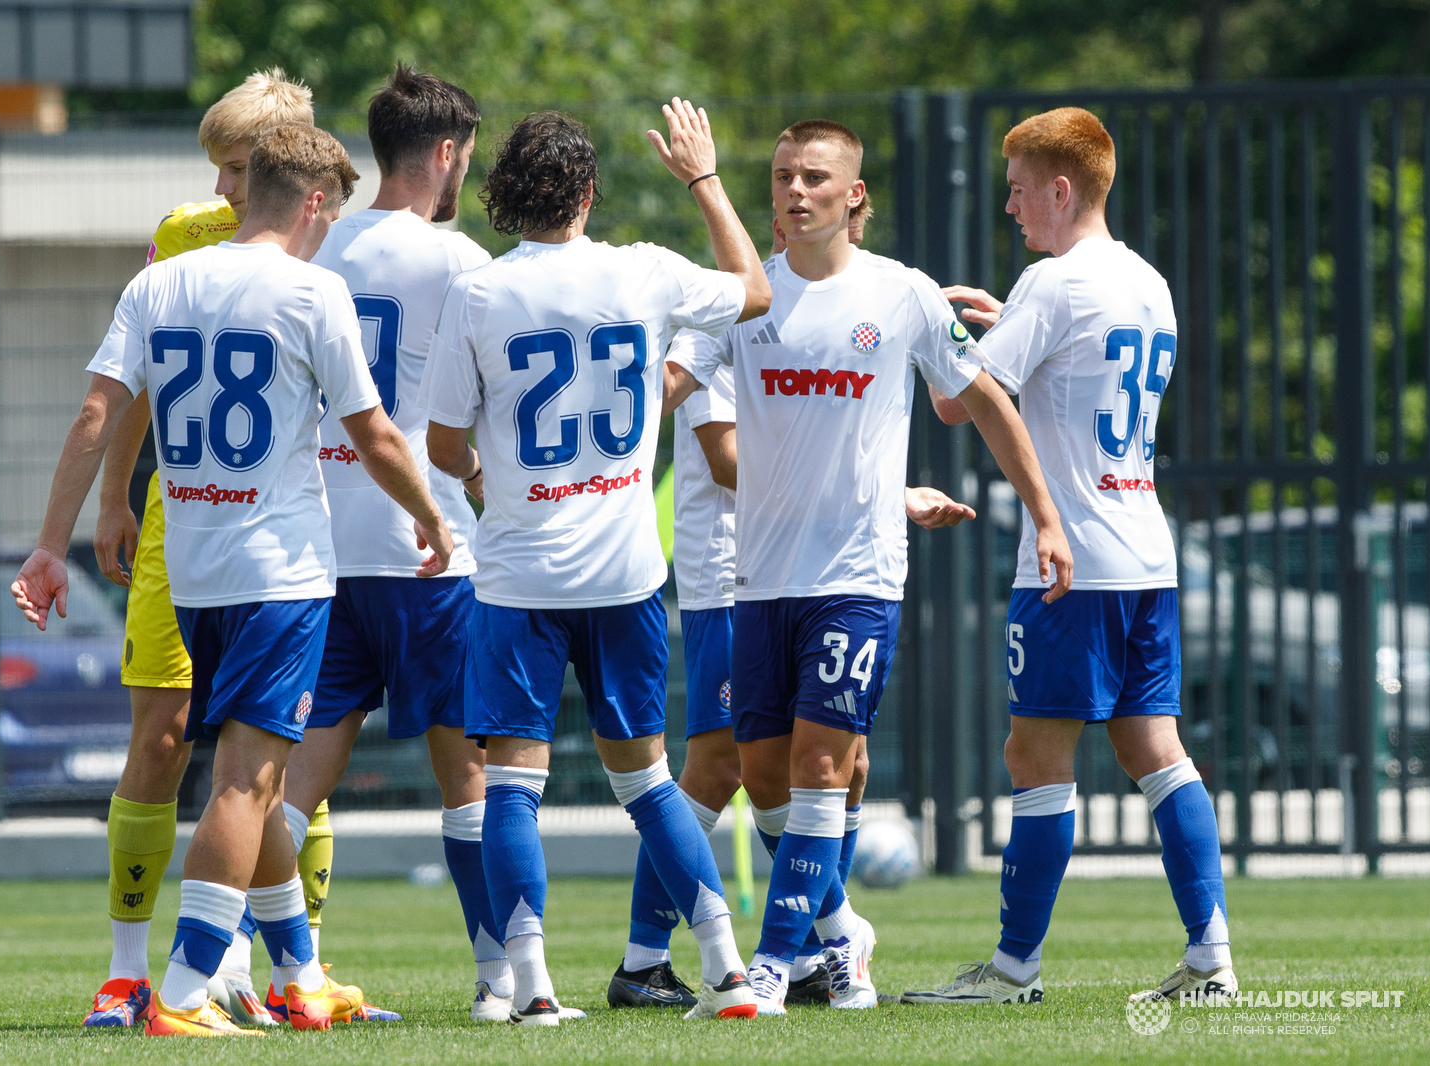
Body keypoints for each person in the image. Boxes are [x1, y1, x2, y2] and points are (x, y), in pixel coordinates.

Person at [13, 124, 454, 1037]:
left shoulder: (158, 281)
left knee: (262, 777)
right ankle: (179, 993)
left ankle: (300, 976)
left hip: (197, 570)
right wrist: (431, 513)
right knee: (246, 784)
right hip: (281, 572)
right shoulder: (312, 290)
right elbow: (373, 434)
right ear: (316, 204)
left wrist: (50, 544)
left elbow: (99, 411)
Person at [664, 118, 1073, 1016]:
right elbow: (662, 390)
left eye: (813, 177)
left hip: (858, 576)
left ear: (853, 196)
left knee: (820, 766)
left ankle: (771, 966)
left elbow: (986, 401)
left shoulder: (902, 294)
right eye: (779, 178)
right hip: (760, 581)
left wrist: (1046, 516)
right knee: (763, 776)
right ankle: (842, 930)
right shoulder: (743, 298)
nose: (793, 192)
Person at [422, 101, 772, 1025]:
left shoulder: (481, 293)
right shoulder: (643, 273)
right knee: (648, 782)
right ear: (586, 189)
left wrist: (489, 483)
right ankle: (728, 971)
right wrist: (701, 177)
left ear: (507, 193)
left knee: (513, 786)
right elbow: (754, 288)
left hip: (518, 577)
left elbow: (444, 440)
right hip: (624, 576)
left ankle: (531, 984)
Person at [901, 107, 1236, 1007]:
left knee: (1034, 757)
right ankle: (1213, 957)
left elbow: (959, 404)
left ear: (1061, 189)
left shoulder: (1053, 284)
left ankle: (1013, 970)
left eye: (1017, 190)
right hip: (1145, 553)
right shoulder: (1148, 282)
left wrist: (940, 330)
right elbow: (1083, 373)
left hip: (1071, 560)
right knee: (1158, 751)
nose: (1010, 208)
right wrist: (1013, 321)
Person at [611, 188, 969, 1011]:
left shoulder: (850, 302)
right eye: (774, 206)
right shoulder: (736, 320)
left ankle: (815, 941)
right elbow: (729, 459)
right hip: (729, 569)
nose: (785, 224)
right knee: (720, 761)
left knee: (839, 762)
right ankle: (791, 937)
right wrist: (884, 492)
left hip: (817, 567)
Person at [81, 68, 324, 1030]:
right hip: (181, 534)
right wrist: (116, 496)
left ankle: (289, 968)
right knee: (164, 738)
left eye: (234, 169)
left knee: (285, 753)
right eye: (217, 168)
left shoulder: (320, 234)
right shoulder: (182, 240)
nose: (220, 192)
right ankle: (127, 968)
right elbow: (133, 381)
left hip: (283, 543)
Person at [290, 64, 505, 1021]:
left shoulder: (317, 244)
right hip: (431, 553)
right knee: (472, 778)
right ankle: (502, 977)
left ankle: (251, 970)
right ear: (448, 153)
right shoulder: (457, 262)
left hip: (323, 550)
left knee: (289, 779)